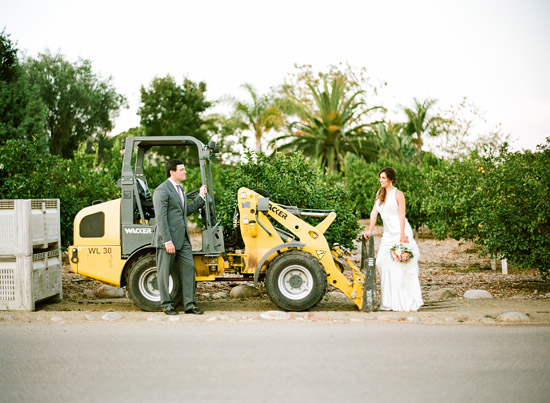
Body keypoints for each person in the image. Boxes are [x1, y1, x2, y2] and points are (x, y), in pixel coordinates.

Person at [363, 167, 423, 312]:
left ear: (391, 179)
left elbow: (402, 214)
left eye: (383, 178)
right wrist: (370, 230)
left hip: (399, 231)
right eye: (380, 178)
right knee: (381, 262)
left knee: (399, 266)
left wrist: (402, 235)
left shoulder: (398, 194)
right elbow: (374, 212)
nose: (381, 180)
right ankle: (388, 301)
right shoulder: (380, 194)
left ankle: (401, 301)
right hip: (388, 234)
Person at [152, 159, 207, 315]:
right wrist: (167, 240)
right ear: (172, 172)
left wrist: (201, 197)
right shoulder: (162, 190)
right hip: (168, 240)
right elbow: (161, 218)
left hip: (183, 239)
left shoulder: (180, 190)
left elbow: (185, 211)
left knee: (189, 268)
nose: (185, 172)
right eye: (182, 169)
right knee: (164, 272)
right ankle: (167, 305)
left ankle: (189, 305)